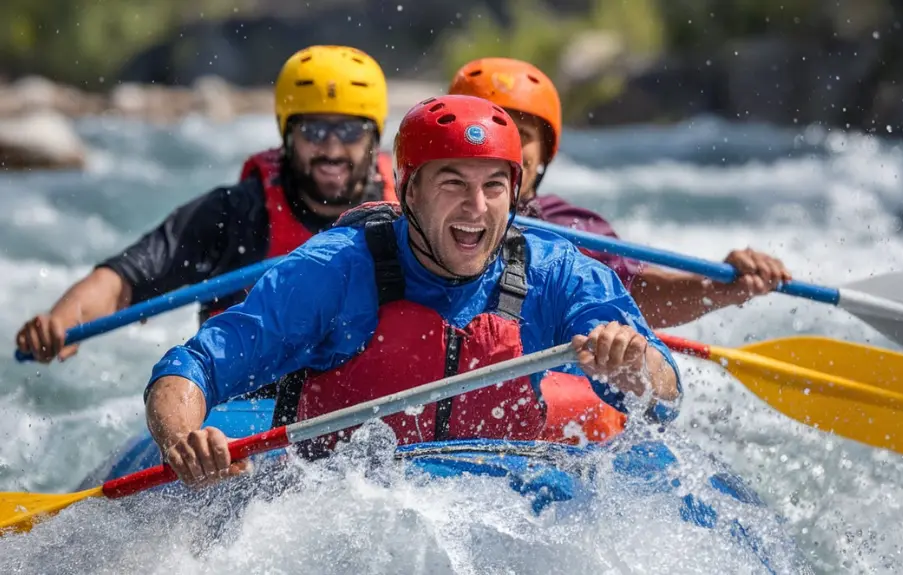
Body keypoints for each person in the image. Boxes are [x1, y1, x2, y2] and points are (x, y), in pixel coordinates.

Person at [144, 95, 682, 487]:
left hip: (508, 501)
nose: (477, 207)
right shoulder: (333, 272)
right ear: (407, 189)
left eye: (494, 186)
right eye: (453, 184)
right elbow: (190, 368)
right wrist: (182, 439)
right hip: (349, 507)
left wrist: (632, 367)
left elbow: (665, 392)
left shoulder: (554, 269)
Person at [15, 45, 395, 363]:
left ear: (373, 136)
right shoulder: (236, 213)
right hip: (251, 399)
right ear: (288, 134)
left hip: (368, 397)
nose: (330, 148)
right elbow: (122, 280)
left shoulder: (406, 212)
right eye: (313, 129)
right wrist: (62, 322)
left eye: (348, 131)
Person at [448, 57, 793, 329]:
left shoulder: (569, 226)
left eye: (519, 134)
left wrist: (721, 285)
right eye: (486, 130)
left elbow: (632, 292)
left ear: (544, 155)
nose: (500, 148)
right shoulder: (419, 215)